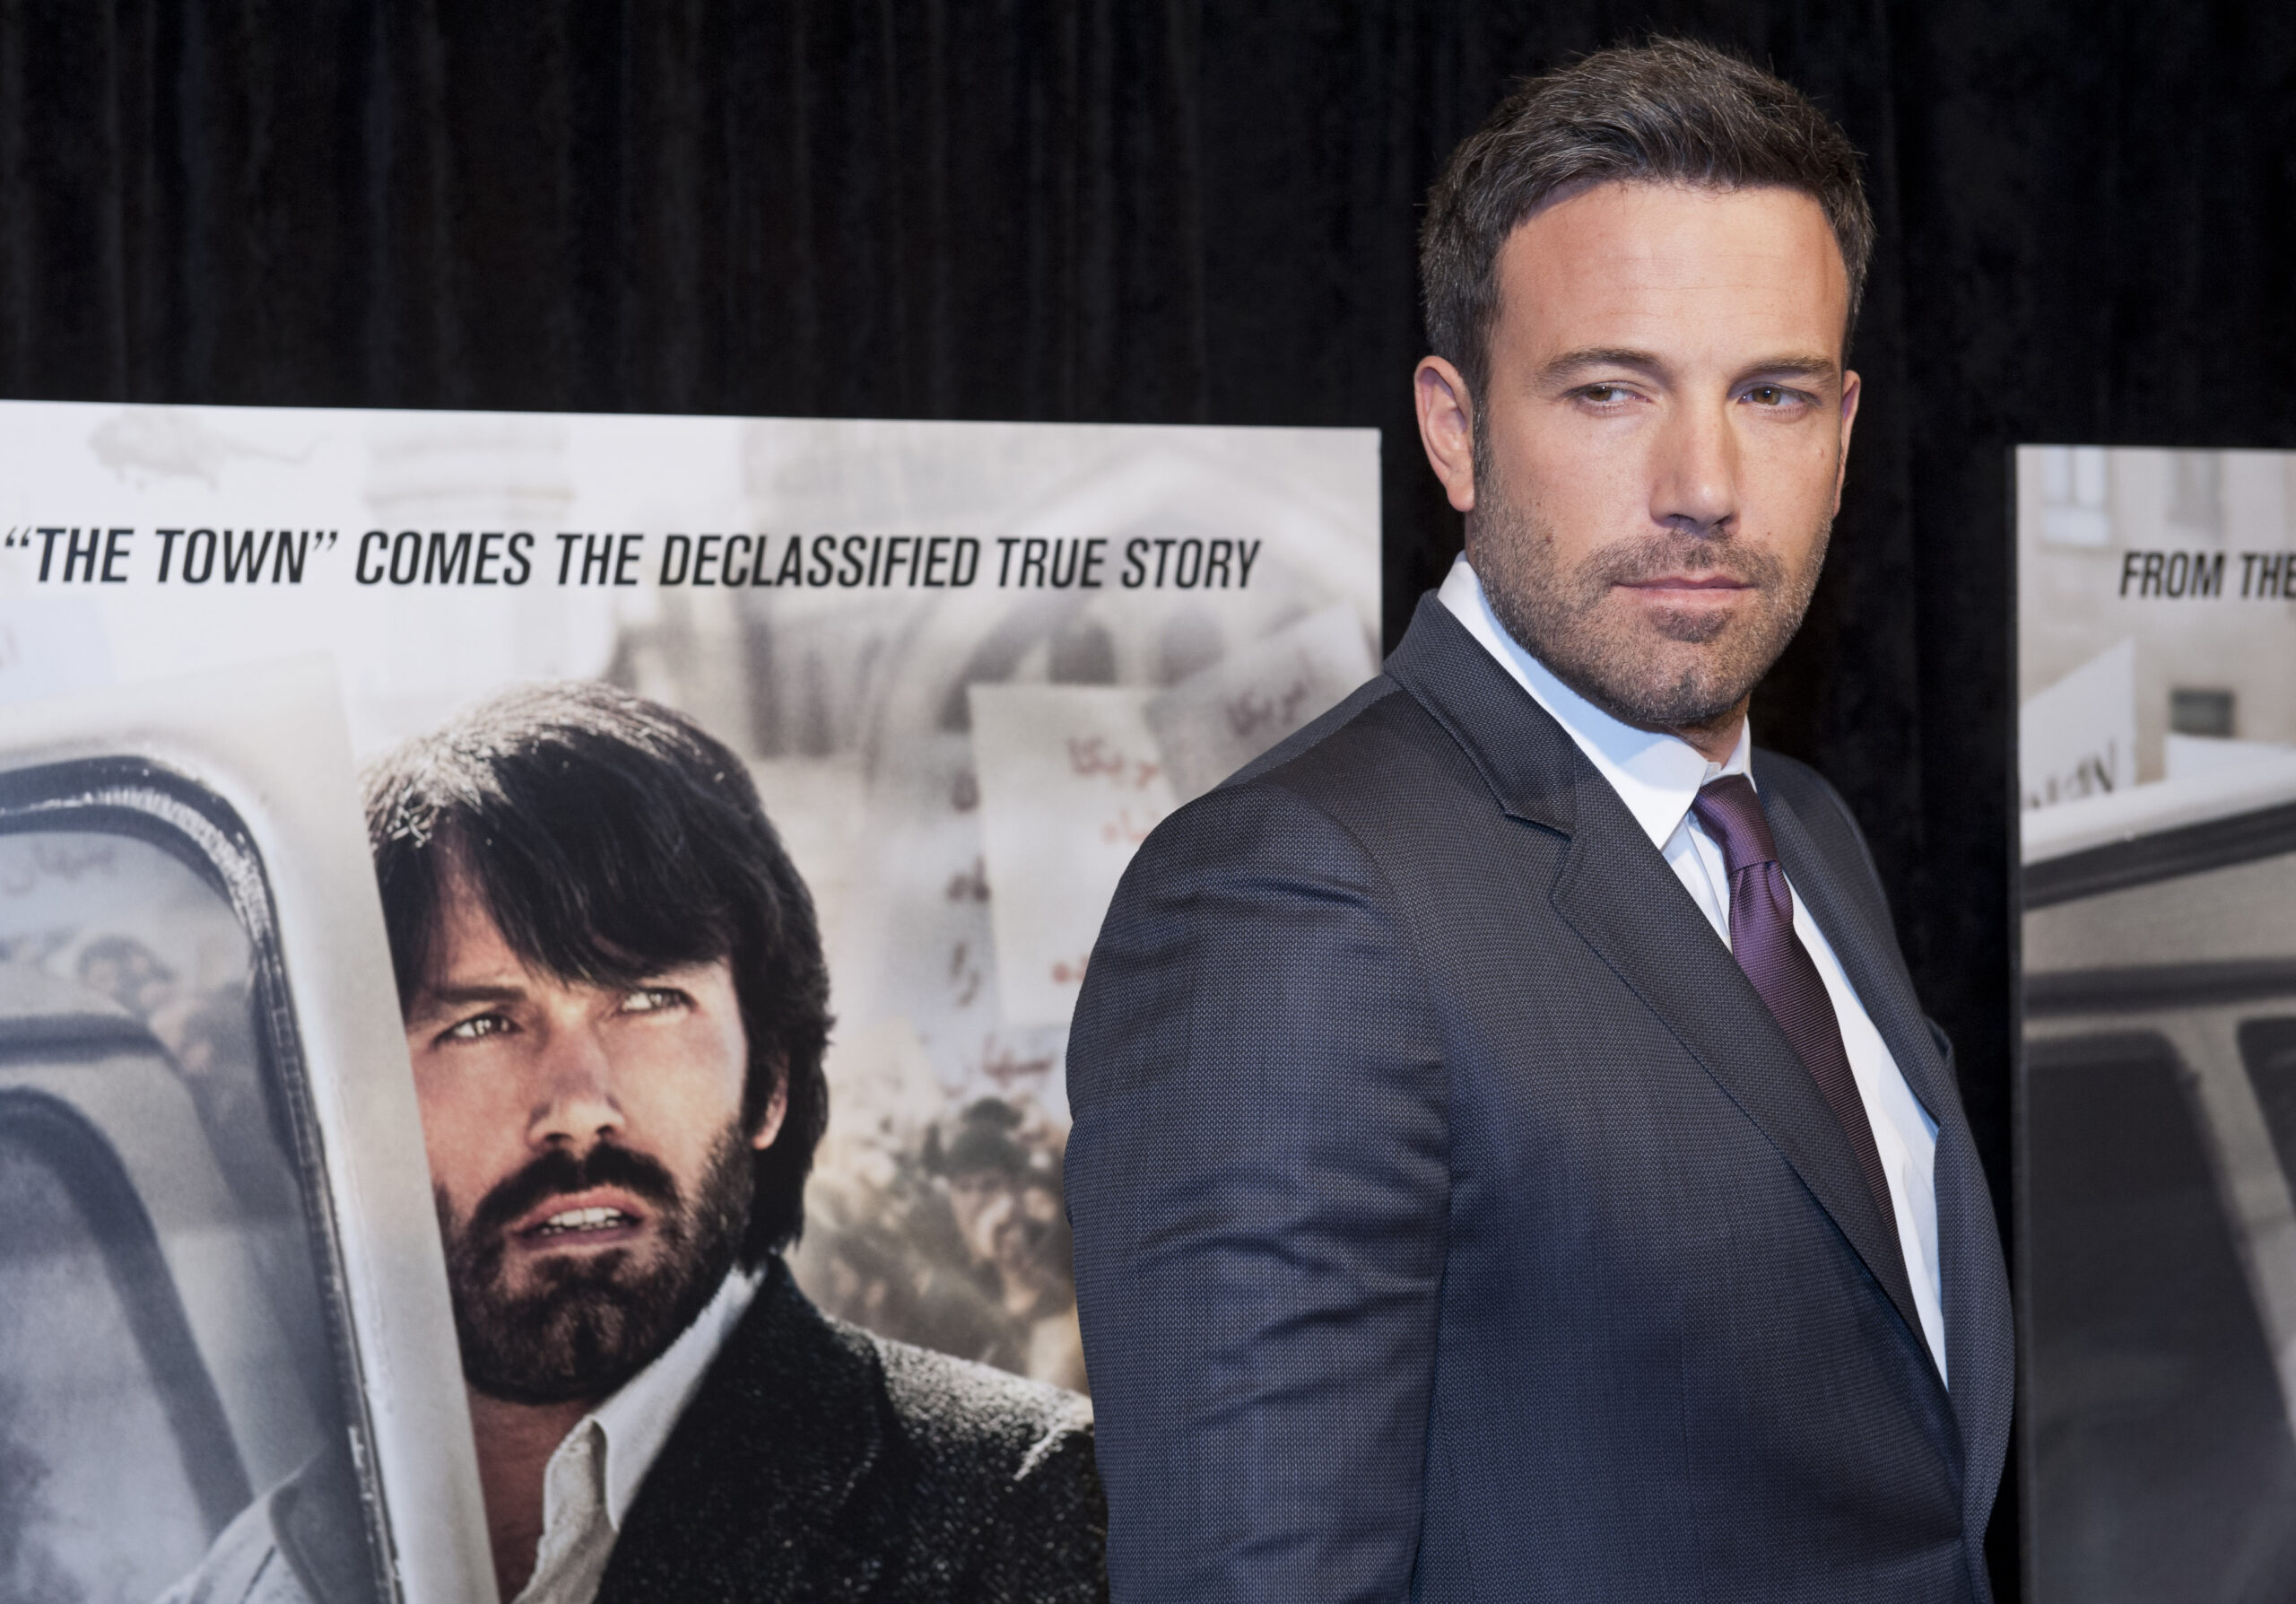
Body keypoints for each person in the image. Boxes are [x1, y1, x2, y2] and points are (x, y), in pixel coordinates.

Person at [1065, 38, 2013, 1603]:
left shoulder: (1804, 832)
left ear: (1844, 434)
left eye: (1771, 393)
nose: (1703, 481)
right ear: (1456, 430)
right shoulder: (1290, 897)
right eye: (1610, 390)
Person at [176, 682, 1106, 1604]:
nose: (579, 1107)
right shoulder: (245, 1580)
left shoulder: (1029, 1510)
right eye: (481, 1025)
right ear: (338, 1111)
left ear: (770, 1082)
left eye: (650, 1003)